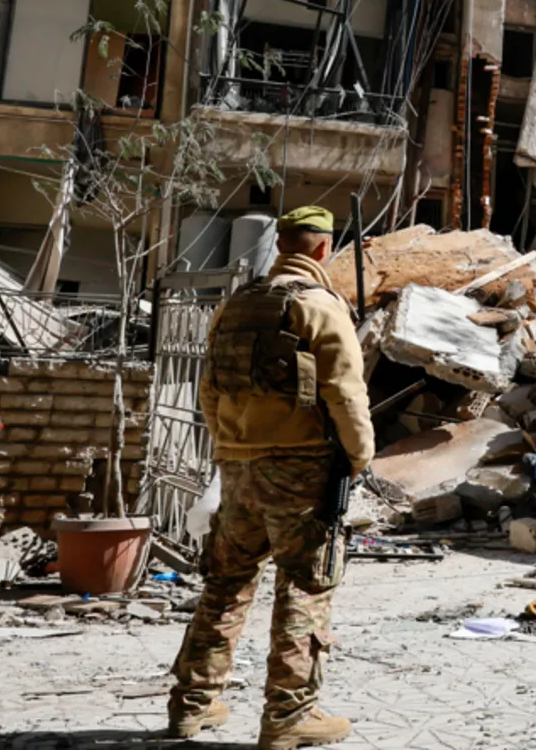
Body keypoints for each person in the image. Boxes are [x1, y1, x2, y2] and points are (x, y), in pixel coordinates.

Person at [169, 206, 374, 750]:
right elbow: (345, 392)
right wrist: (359, 456)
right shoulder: (319, 306)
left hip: (238, 465)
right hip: (301, 467)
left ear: (279, 244)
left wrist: (228, 448)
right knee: (304, 586)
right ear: (324, 249)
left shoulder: (234, 305)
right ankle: (289, 716)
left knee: (226, 583)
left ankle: (191, 705)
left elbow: (208, 388)